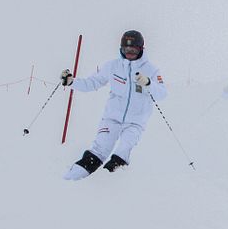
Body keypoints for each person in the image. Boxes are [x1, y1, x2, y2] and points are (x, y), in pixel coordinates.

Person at [62, 30, 168, 180]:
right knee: (98, 152)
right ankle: (69, 180)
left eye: (133, 50)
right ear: (121, 49)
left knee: (122, 151)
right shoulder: (113, 66)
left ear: (141, 49)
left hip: (135, 123)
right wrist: (72, 82)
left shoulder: (151, 70)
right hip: (111, 119)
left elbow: (162, 94)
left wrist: (148, 83)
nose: (129, 54)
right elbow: (92, 83)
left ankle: (108, 186)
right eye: (126, 50)